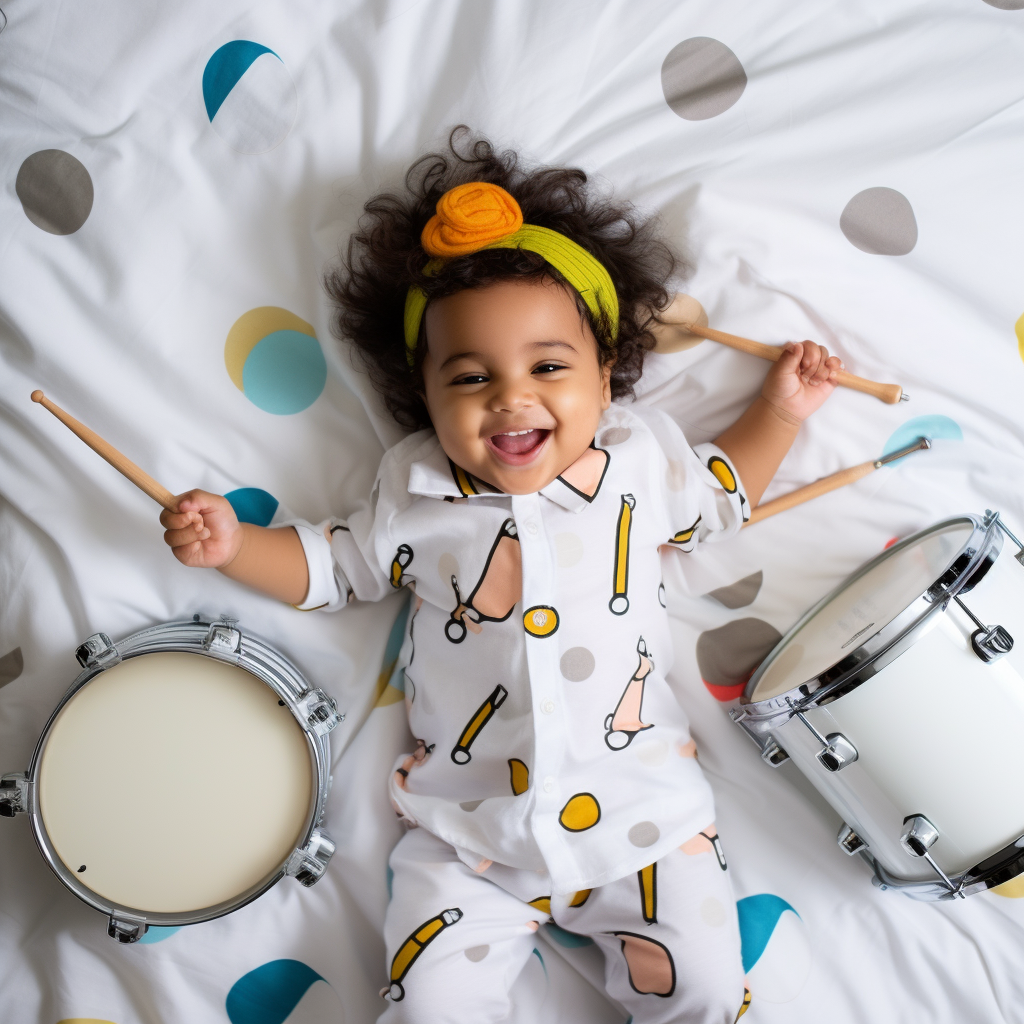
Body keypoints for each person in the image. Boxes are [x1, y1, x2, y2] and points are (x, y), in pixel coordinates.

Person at [159, 130, 841, 1024]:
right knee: (431, 1008)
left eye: (548, 368)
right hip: (466, 838)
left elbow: (720, 494)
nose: (511, 397)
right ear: (426, 396)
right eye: (470, 376)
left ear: (607, 377)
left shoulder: (638, 462)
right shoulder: (412, 490)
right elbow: (334, 568)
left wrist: (779, 412)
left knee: (709, 990)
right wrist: (236, 545)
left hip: (643, 827)